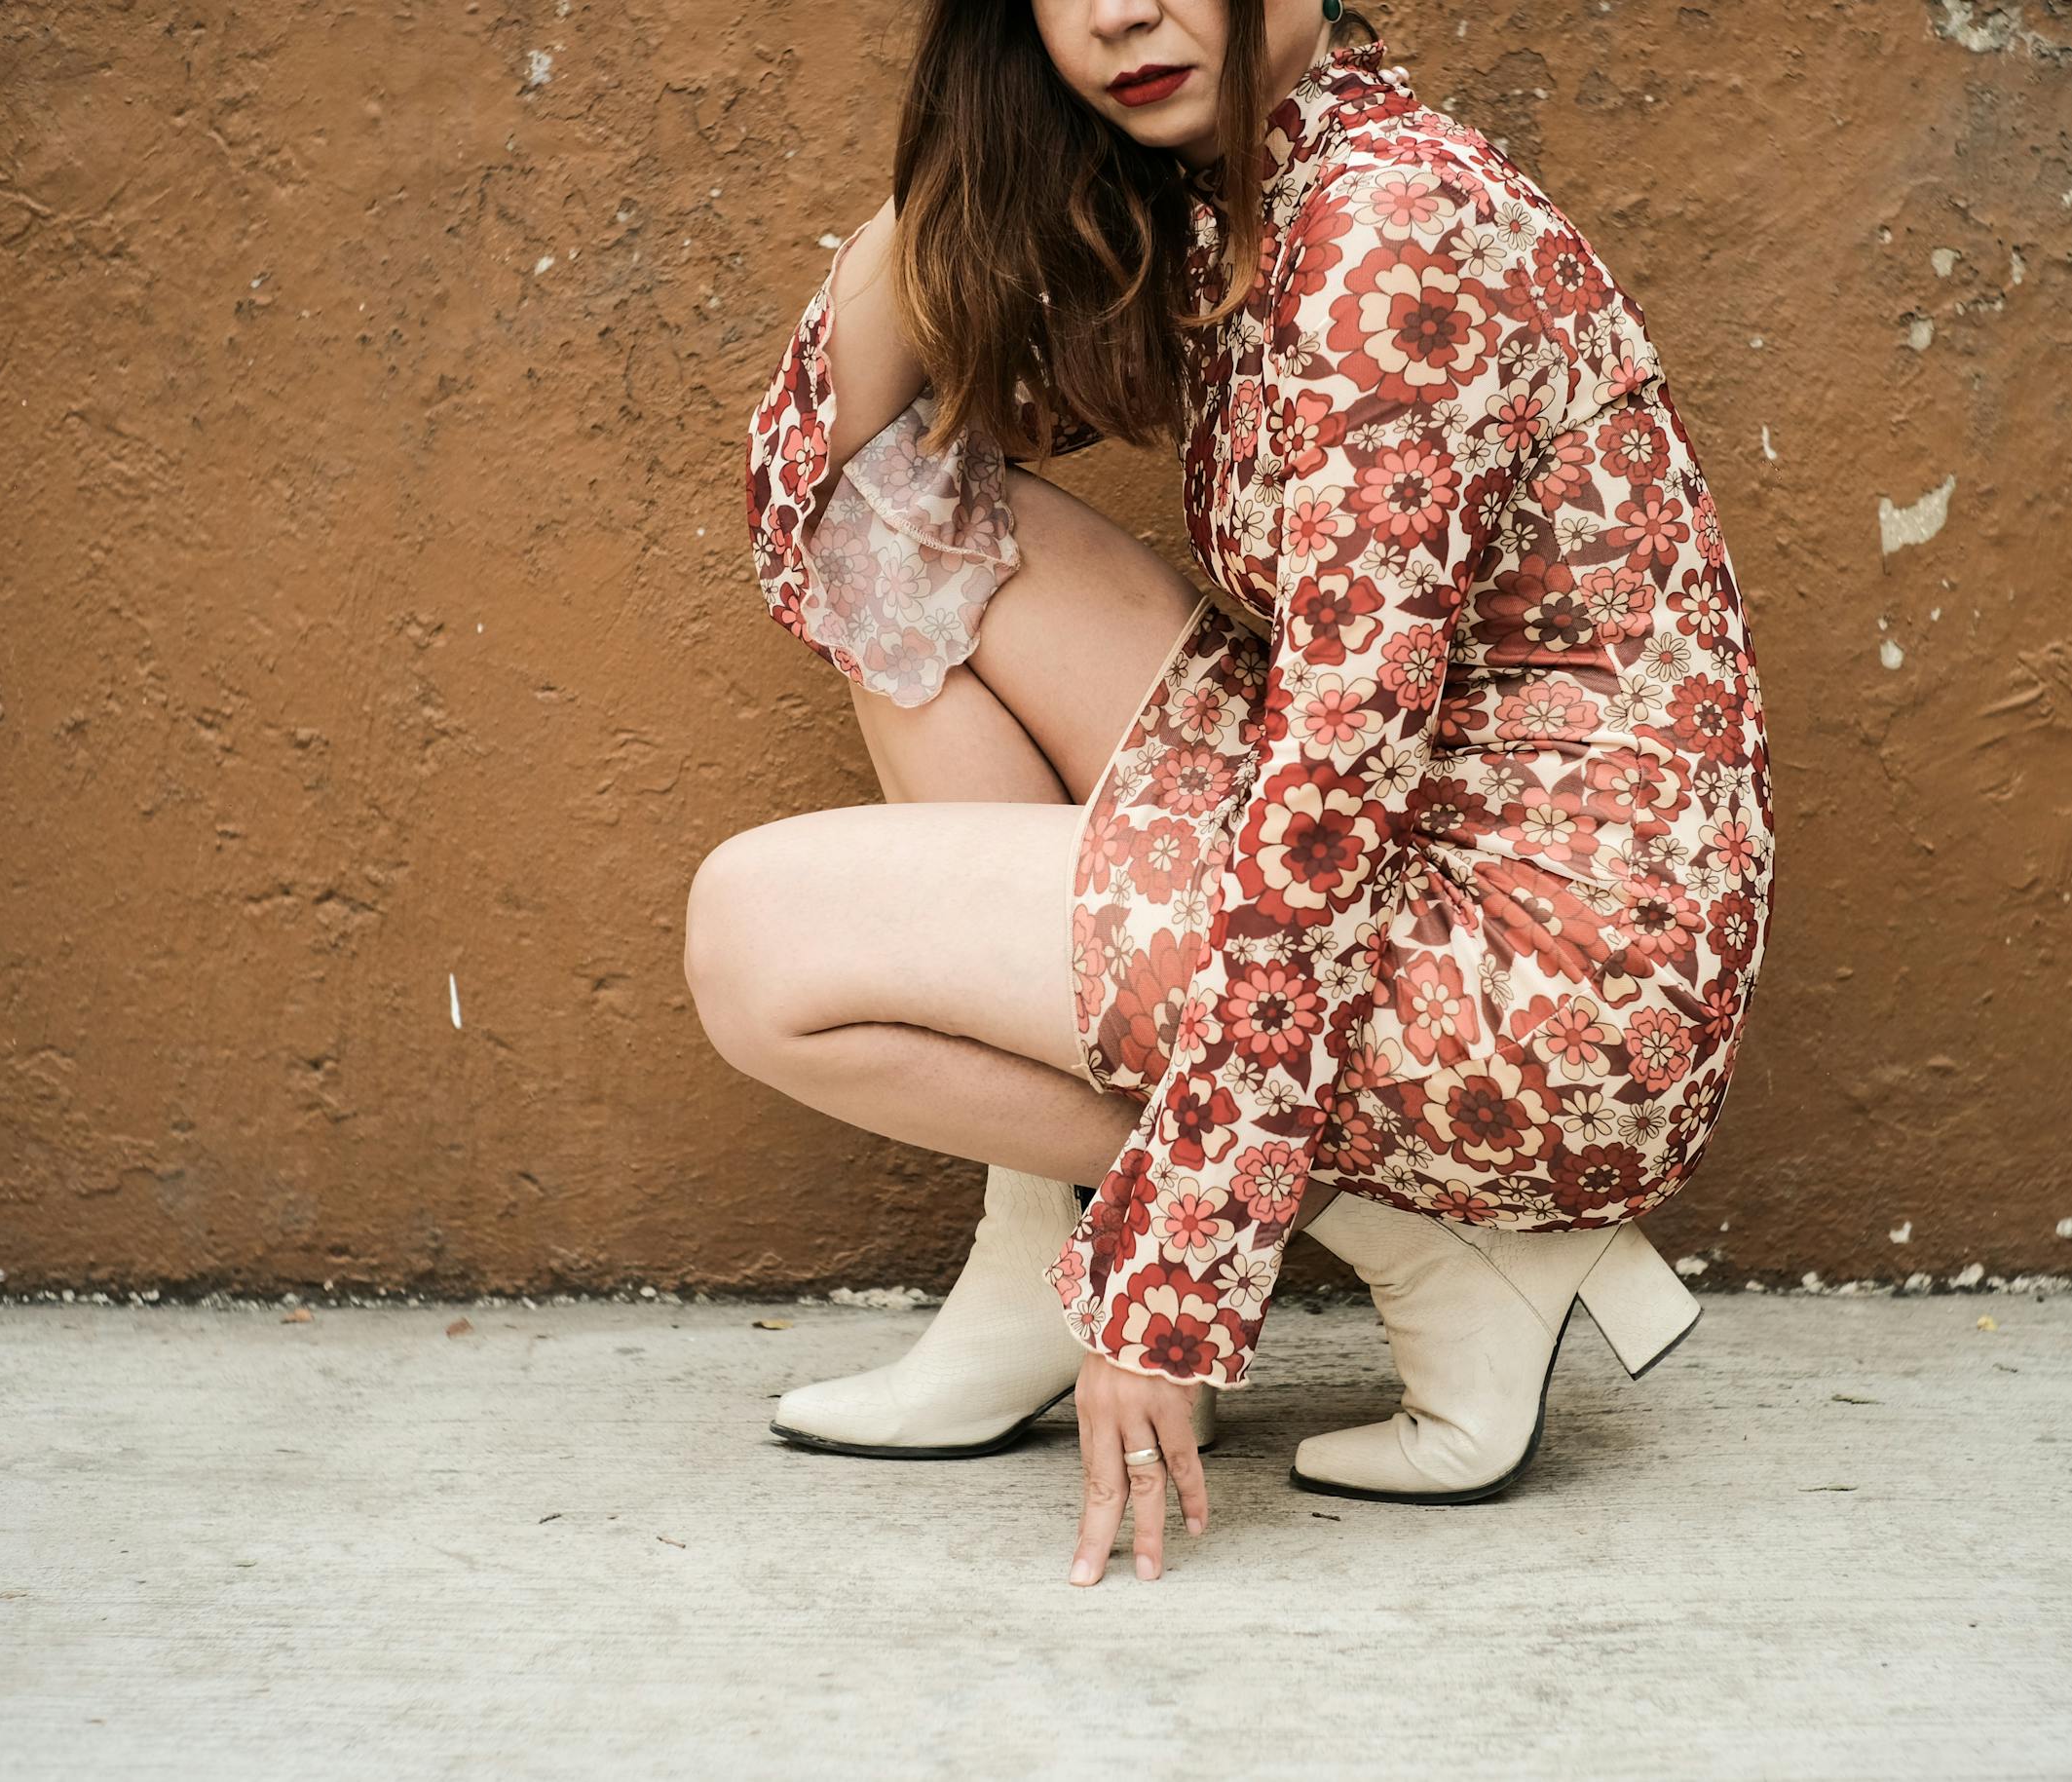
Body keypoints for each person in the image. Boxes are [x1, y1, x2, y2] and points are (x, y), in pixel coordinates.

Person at [692, 0, 1776, 1585]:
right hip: (1439, 850)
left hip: (1544, 980)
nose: (1118, 9)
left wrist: (1173, 1275)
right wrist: (990, 137)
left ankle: (1388, 1235)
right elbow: (819, 461)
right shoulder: (1236, 198)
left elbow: (1330, 811)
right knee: (902, 519)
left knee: (751, 940)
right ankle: (1043, 1272)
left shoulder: (1385, 237)